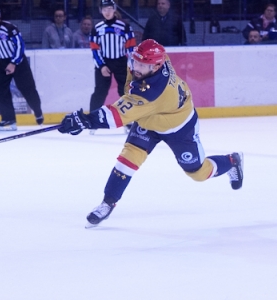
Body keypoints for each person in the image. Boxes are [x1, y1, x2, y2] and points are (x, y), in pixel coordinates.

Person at [56, 39, 244, 228]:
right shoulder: (157, 61)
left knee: (198, 173)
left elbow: (115, 116)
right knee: (127, 161)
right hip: (149, 120)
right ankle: (107, 203)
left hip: (180, 128)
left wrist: (83, 120)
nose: (136, 67)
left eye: (142, 65)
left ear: (155, 67)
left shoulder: (153, 91)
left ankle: (231, 161)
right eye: (135, 61)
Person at [0, 5, 44, 131]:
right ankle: (8, 118)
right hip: (2, 62)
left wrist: (13, 63)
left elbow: (20, 46)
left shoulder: (10, 28)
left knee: (27, 89)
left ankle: (38, 110)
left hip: (19, 61)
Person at [89, 0, 136, 123]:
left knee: (125, 91)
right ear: (101, 11)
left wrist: (130, 65)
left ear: (114, 9)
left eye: (110, 8)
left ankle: (129, 120)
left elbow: (130, 48)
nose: (107, 11)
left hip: (121, 62)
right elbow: (94, 49)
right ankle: (92, 120)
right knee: (100, 91)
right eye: (105, 9)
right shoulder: (97, 28)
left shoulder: (124, 26)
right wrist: (101, 66)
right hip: (104, 63)